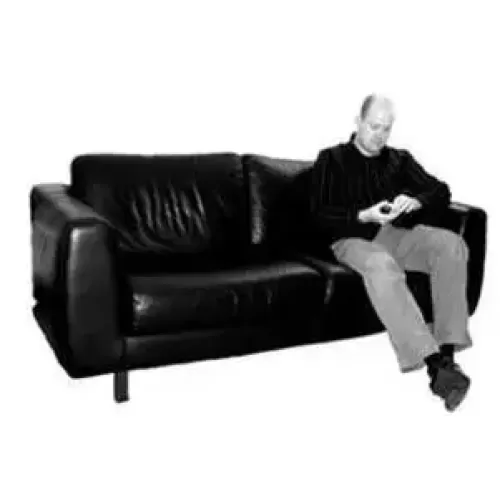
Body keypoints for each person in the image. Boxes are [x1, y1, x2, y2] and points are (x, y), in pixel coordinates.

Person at [309, 94, 472, 411]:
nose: (379, 136)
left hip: (397, 234)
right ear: (358, 121)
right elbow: (317, 213)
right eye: (373, 127)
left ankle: (448, 354)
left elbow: (440, 190)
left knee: (451, 245)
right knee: (382, 265)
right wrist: (362, 216)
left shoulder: (399, 159)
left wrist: (417, 201)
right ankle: (434, 365)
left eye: (386, 129)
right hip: (351, 238)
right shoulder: (331, 159)